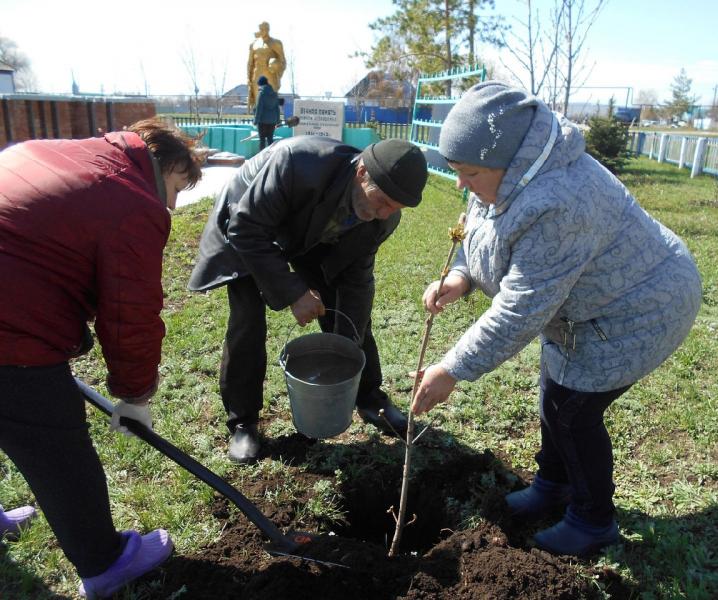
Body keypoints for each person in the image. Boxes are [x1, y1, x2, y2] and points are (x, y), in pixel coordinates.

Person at [411, 81, 702, 557]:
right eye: (455, 171)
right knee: (556, 394)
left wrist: (452, 369)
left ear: (509, 163)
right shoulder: (505, 175)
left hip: (639, 304)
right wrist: (462, 275)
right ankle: (553, 484)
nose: (462, 184)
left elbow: (521, 307)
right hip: (586, 311)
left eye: (469, 173)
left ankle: (592, 522)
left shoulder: (561, 201)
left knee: (572, 414)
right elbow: (481, 224)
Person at [0, 118, 203, 597]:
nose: (172, 204)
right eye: (176, 187)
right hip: (10, 334)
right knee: (58, 453)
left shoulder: (46, 149)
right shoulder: (131, 201)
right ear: (166, 164)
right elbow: (128, 314)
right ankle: (106, 562)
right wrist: (134, 396)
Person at [188, 137, 428, 463]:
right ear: (361, 172)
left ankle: (369, 395)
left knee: (350, 313)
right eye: (381, 200)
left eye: (393, 208)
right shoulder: (296, 163)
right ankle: (243, 421)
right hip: (248, 223)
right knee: (248, 320)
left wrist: (349, 342)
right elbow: (245, 229)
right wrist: (294, 293)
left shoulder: (382, 218)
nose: (381, 213)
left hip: (311, 233)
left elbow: (356, 281)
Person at [247, 21, 286, 110]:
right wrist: (248, 78)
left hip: (270, 76)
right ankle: (258, 122)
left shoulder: (276, 43)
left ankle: (272, 122)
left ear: (268, 29)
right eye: (260, 29)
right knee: (258, 103)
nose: (262, 31)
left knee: (271, 103)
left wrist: (276, 66)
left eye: (264, 29)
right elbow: (250, 63)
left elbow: (283, 61)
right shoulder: (254, 44)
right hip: (256, 76)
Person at [253, 75, 280, 150]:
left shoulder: (261, 94)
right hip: (272, 121)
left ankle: (262, 158)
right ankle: (271, 156)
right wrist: (278, 121)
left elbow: (259, 108)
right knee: (270, 139)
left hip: (262, 121)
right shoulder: (275, 94)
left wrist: (255, 121)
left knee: (262, 140)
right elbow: (277, 109)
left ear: (261, 84)